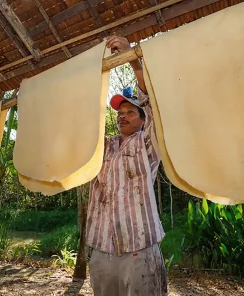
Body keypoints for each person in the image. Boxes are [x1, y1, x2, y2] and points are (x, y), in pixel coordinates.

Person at [85, 35, 167, 295]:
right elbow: (79, 123)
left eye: (130, 112)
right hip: (100, 249)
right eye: (120, 114)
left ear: (143, 120)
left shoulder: (149, 143)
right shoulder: (102, 146)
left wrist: (133, 61)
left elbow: (156, 106)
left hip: (139, 249)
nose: (122, 116)